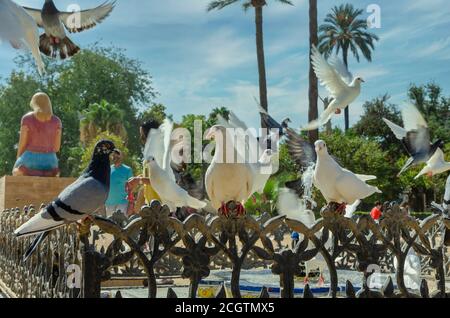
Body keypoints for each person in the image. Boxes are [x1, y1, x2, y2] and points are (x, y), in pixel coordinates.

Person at [13, 92, 62, 177]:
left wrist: (18, 158)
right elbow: (56, 148)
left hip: (30, 158)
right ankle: (47, 172)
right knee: (52, 172)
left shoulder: (27, 118)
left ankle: (30, 171)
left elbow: (22, 144)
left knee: (16, 171)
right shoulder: (57, 121)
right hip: (50, 161)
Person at [126, 120, 162, 214]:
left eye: (143, 135)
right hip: (151, 205)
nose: (141, 139)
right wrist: (137, 178)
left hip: (162, 208)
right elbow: (149, 175)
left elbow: (159, 180)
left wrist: (139, 180)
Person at [105, 149, 133, 217]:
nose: (115, 157)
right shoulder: (108, 169)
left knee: (121, 225)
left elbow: (131, 187)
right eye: (113, 156)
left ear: (121, 156)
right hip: (109, 203)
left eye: (117, 155)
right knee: (110, 225)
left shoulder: (127, 170)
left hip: (122, 203)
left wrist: (131, 203)